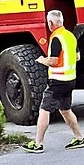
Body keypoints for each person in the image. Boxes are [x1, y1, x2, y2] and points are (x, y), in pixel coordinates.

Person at [23, 10, 84, 153]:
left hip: (57, 81)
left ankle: (38, 144)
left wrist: (41, 60)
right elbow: (77, 57)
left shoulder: (56, 38)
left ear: (51, 23)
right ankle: (80, 138)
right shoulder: (70, 36)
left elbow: (54, 61)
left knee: (44, 110)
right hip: (69, 80)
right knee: (66, 110)